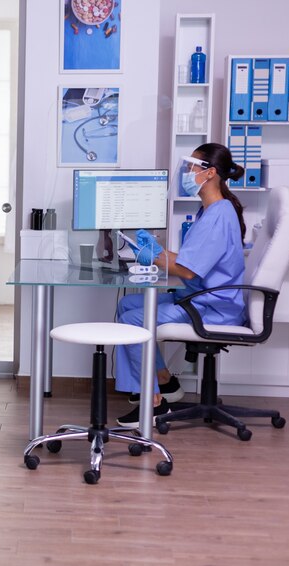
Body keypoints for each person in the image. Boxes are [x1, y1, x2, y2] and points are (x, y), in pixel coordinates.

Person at [115, 143, 248, 427]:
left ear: (210, 173)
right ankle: (164, 382)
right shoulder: (210, 211)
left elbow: (187, 271)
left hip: (212, 307)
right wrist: (156, 251)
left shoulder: (218, 215)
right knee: (127, 303)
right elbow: (192, 261)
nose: (186, 172)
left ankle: (153, 403)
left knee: (133, 319)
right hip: (201, 298)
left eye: (191, 166)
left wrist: (155, 256)